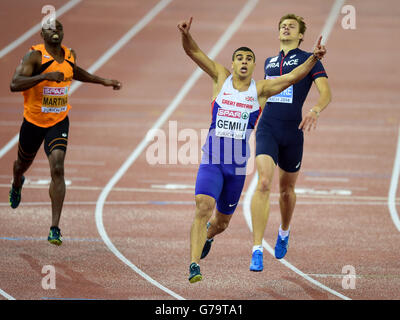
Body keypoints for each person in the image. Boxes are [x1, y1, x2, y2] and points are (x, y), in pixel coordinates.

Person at [177, 17, 327, 283]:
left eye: (249, 58)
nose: (244, 62)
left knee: (221, 223)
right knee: (203, 206)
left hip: (236, 165)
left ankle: (209, 236)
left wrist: (314, 58)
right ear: (233, 63)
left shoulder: (261, 90)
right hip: (212, 159)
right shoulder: (219, 77)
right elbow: (193, 52)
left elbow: (293, 77)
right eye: (239, 58)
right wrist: (186, 34)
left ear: (254, 66)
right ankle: (194, 265)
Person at [8, 20, 121, 246]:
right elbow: (14, 83)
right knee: (21, 164)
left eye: (58, 29)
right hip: (33, 122)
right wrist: (43, 77)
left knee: (58, 168)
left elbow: (75, 72)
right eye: (50, 30)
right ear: (42, 34)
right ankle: (17, 183)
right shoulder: (34, 57)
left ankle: (54, 227)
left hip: (58, 121)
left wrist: (103, 81)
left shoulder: (70, 54)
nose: (55, 33)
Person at [249, 14, 332, 271]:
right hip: (267, 129)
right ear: (278, 33)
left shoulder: (310, 59)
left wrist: (315, 110)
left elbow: (326, 93)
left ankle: (284, 231)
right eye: (282, 25)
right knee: (263, 182)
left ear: (300, 36)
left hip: (293, 133)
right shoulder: (269, 62)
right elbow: (263, 95)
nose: (285, 27)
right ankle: (256, 249)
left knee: (286, 191)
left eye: (291, 26)